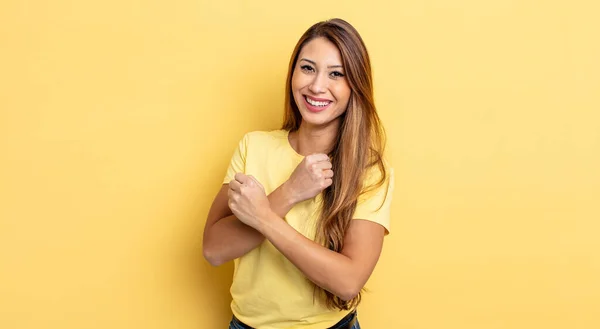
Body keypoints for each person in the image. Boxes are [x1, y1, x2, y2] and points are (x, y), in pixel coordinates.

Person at [203, 18, 394, 329]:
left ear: (354, 86)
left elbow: (347, 282)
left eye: (336, 74)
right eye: (307, 68)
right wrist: (289, 192)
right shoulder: (255, 147)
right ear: (292, 74)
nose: (317, 86)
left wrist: (263, 216)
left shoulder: (369, 172)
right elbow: (213, 250)